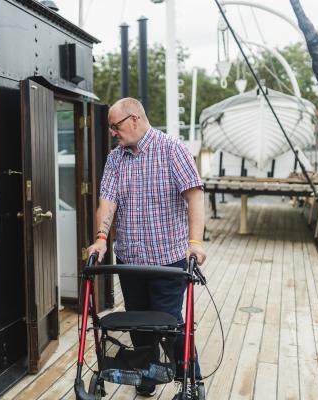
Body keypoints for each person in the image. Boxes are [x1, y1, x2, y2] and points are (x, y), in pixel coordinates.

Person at [88, 97, 206, 397]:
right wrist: (101, 238)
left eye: (115, 126)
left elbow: (194, 196)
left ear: (134, 119)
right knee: (138, 322)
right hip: (129, 260)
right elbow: (107, 202)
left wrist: (195, 243)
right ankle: (147, 375)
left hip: (168, 259)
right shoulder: (116, 159)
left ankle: (191, 378)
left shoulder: (172, 149)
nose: (113, 132)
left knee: (169, 324)